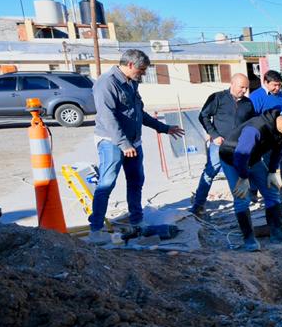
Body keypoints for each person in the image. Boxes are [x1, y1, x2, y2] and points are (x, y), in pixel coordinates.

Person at [87, 49, 184, 244]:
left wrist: (164, 128)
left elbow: (139, 113)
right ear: (130, 65)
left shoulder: (132, 83)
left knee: (136, 181)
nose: (144, 73)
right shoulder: (106, 83)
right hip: (111, 142)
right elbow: (107, 117)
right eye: (142, 69)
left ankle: (137, 221)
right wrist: (123, 144)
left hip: (133, 142)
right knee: (106, 184)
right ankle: (95, 229)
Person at [219, 104, 282, 252]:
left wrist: (272, 171)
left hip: (252, 158)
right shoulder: (256, 129)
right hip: (232, 157)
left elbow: (279, 151)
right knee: (242, 197)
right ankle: (249, 240)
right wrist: (243, 178)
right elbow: (240, 156)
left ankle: (278, 233)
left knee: (272, 192)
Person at [191, 73, 255, 217]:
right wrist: (214, 135)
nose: (244, 90)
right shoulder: (218, 98)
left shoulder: (248, 104)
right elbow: (203, 116)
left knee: (241, 173)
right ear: (232, 84)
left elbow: (252, 123)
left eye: (246, 88)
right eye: (241, 87)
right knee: (210, 173)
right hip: (219, 145)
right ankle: (198, 205)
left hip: (237, 147)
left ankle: (244, 202)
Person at [249, 70, 282, 200]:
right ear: (265, 82)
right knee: (264, 165)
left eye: (279, 85)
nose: (277, 88)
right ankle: (257, 191)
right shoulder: (256, 97)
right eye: (274, 85)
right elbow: (252, 118)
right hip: (265, 138)